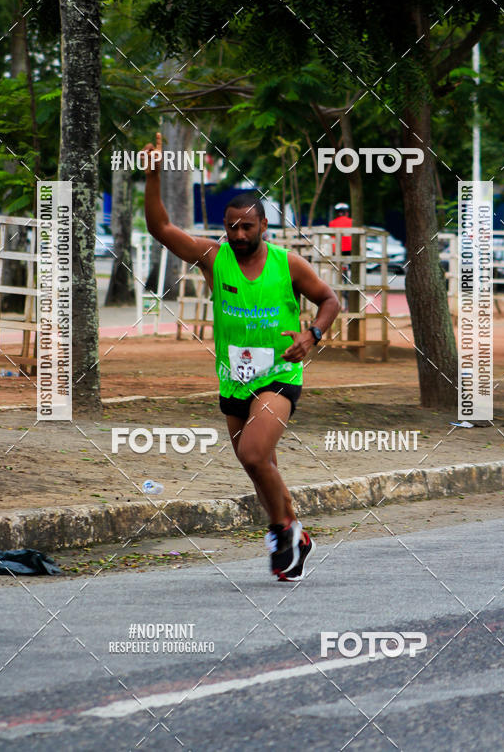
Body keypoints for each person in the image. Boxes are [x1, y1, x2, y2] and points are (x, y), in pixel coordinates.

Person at [144, 133, 340, 581]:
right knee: (260, 465)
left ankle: (281, 531)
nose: (238, 234)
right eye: (231, 226)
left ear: (263, 226)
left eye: (246, 227)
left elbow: (330, 299)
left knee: (253, 454)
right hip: (234, 379)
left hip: (279, 373)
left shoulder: (288, 263)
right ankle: (298, 532)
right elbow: (161, 229)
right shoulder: (214, 258)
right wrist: (153, 176)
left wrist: (312, 335)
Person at [329, 203, 352, 311]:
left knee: (340, 279)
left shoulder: (332, 223)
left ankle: (340, 304)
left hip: (337, 253)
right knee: (352, 279)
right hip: (351, 253)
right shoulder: (352, 222)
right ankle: (350, 304)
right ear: (347, 212)